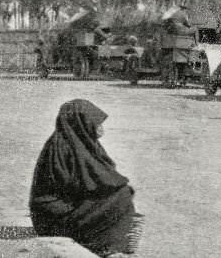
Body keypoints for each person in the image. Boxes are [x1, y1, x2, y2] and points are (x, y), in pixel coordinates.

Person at [30, 99, 142, 257]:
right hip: (54, 216)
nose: (100, 128)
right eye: (96, 123)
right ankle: (107, 246)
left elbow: (102, 174)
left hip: (68, 206)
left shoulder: (82, 141)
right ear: (81, 123)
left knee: (120, 194)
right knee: (121, 197)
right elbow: (88, 182)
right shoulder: (62, 147)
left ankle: (109, 243)